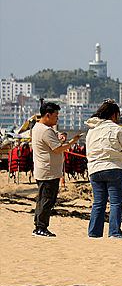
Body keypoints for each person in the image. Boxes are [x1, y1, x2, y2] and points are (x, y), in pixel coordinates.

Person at [85, 100, 122, 238]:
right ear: (113, 115)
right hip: (114, 168)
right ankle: (114, 232)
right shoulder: (116, 128)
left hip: (95, 169)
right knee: (115, 203)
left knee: (98, 203)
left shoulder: (91, 130)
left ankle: (94, 232)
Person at [31, 101, 82, 237]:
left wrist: (62, 135)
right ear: (48, 115)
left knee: (44, 199)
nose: (57, 118)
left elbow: (56, 135)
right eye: (56, 115)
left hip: (45, 170)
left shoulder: (39, 127)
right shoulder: (45, 130)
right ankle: (40, 227)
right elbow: (58, 148)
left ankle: (39, 225)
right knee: (47, 200)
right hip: (48, 172)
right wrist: (72, 141)